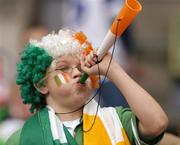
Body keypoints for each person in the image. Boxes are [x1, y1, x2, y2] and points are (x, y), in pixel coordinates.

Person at [6, 28, 168, 145]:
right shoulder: (22, 139)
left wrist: (112, 70)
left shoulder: (116, 120)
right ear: (41, 85)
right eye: (63, 68)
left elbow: (157, 123)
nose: (77, 73)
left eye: (80, 67)